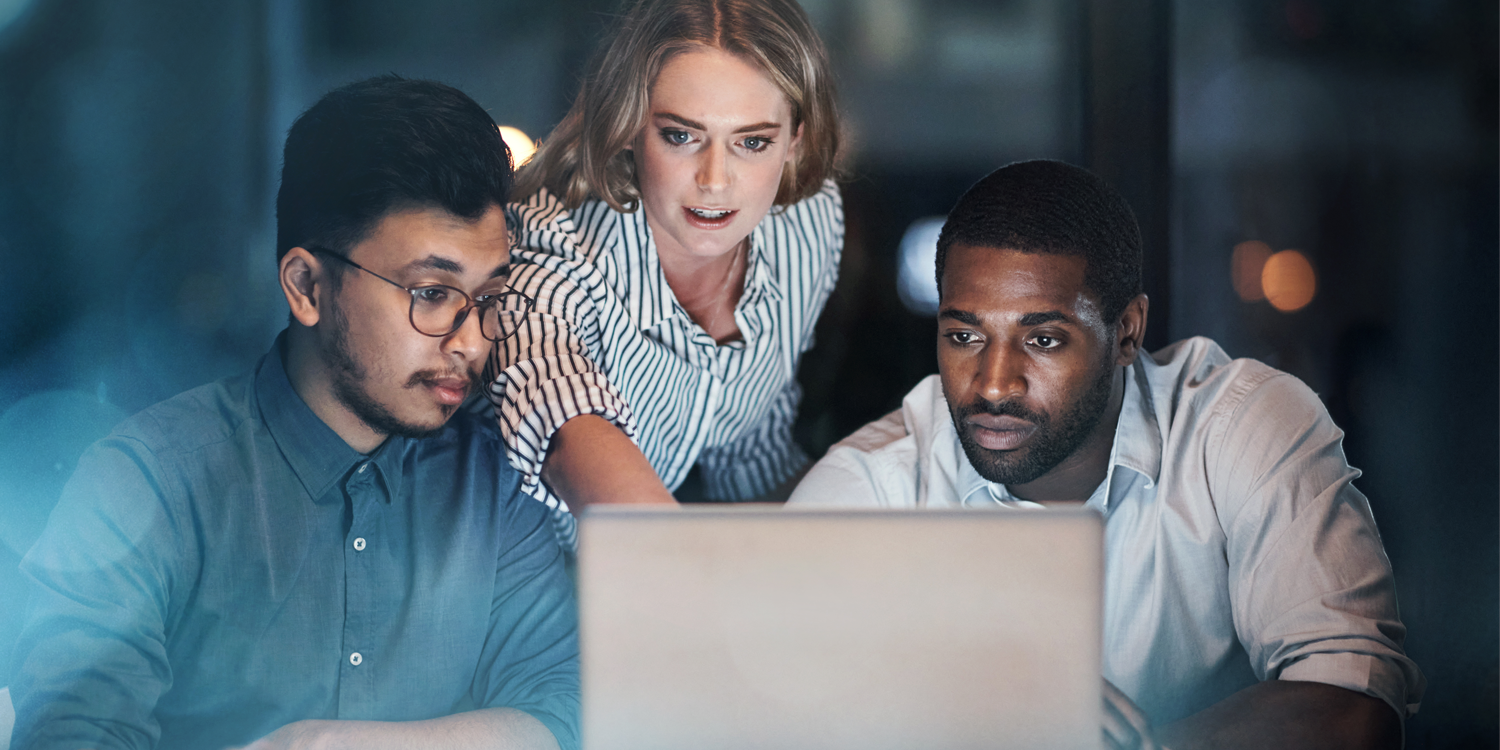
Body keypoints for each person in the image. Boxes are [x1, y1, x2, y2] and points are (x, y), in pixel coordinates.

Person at [8, 76, 579, 750]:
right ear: (307, 287)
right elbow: (70, 732)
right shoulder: (149, 484)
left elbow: (567, 705)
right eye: (430, 292)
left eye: (488, 299)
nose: (471, 339)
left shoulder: (494, 481)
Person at [787, 160, 1424, 750]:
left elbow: (1355, 704)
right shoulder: (868, 490)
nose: (992, 383)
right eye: (964, 336)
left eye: (1041, 339)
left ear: (1126, 333)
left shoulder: (1239, 429)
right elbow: (762, 711)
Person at [487, 0, 843, 546]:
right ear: (630, 127)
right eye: (681, 135)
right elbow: (560, 418)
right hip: (503, 575)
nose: (715, 180)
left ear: (794, 140)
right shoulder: (553, 249)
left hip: (652, 575)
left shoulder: (806, 223)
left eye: (752, 142)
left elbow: (751, 455)